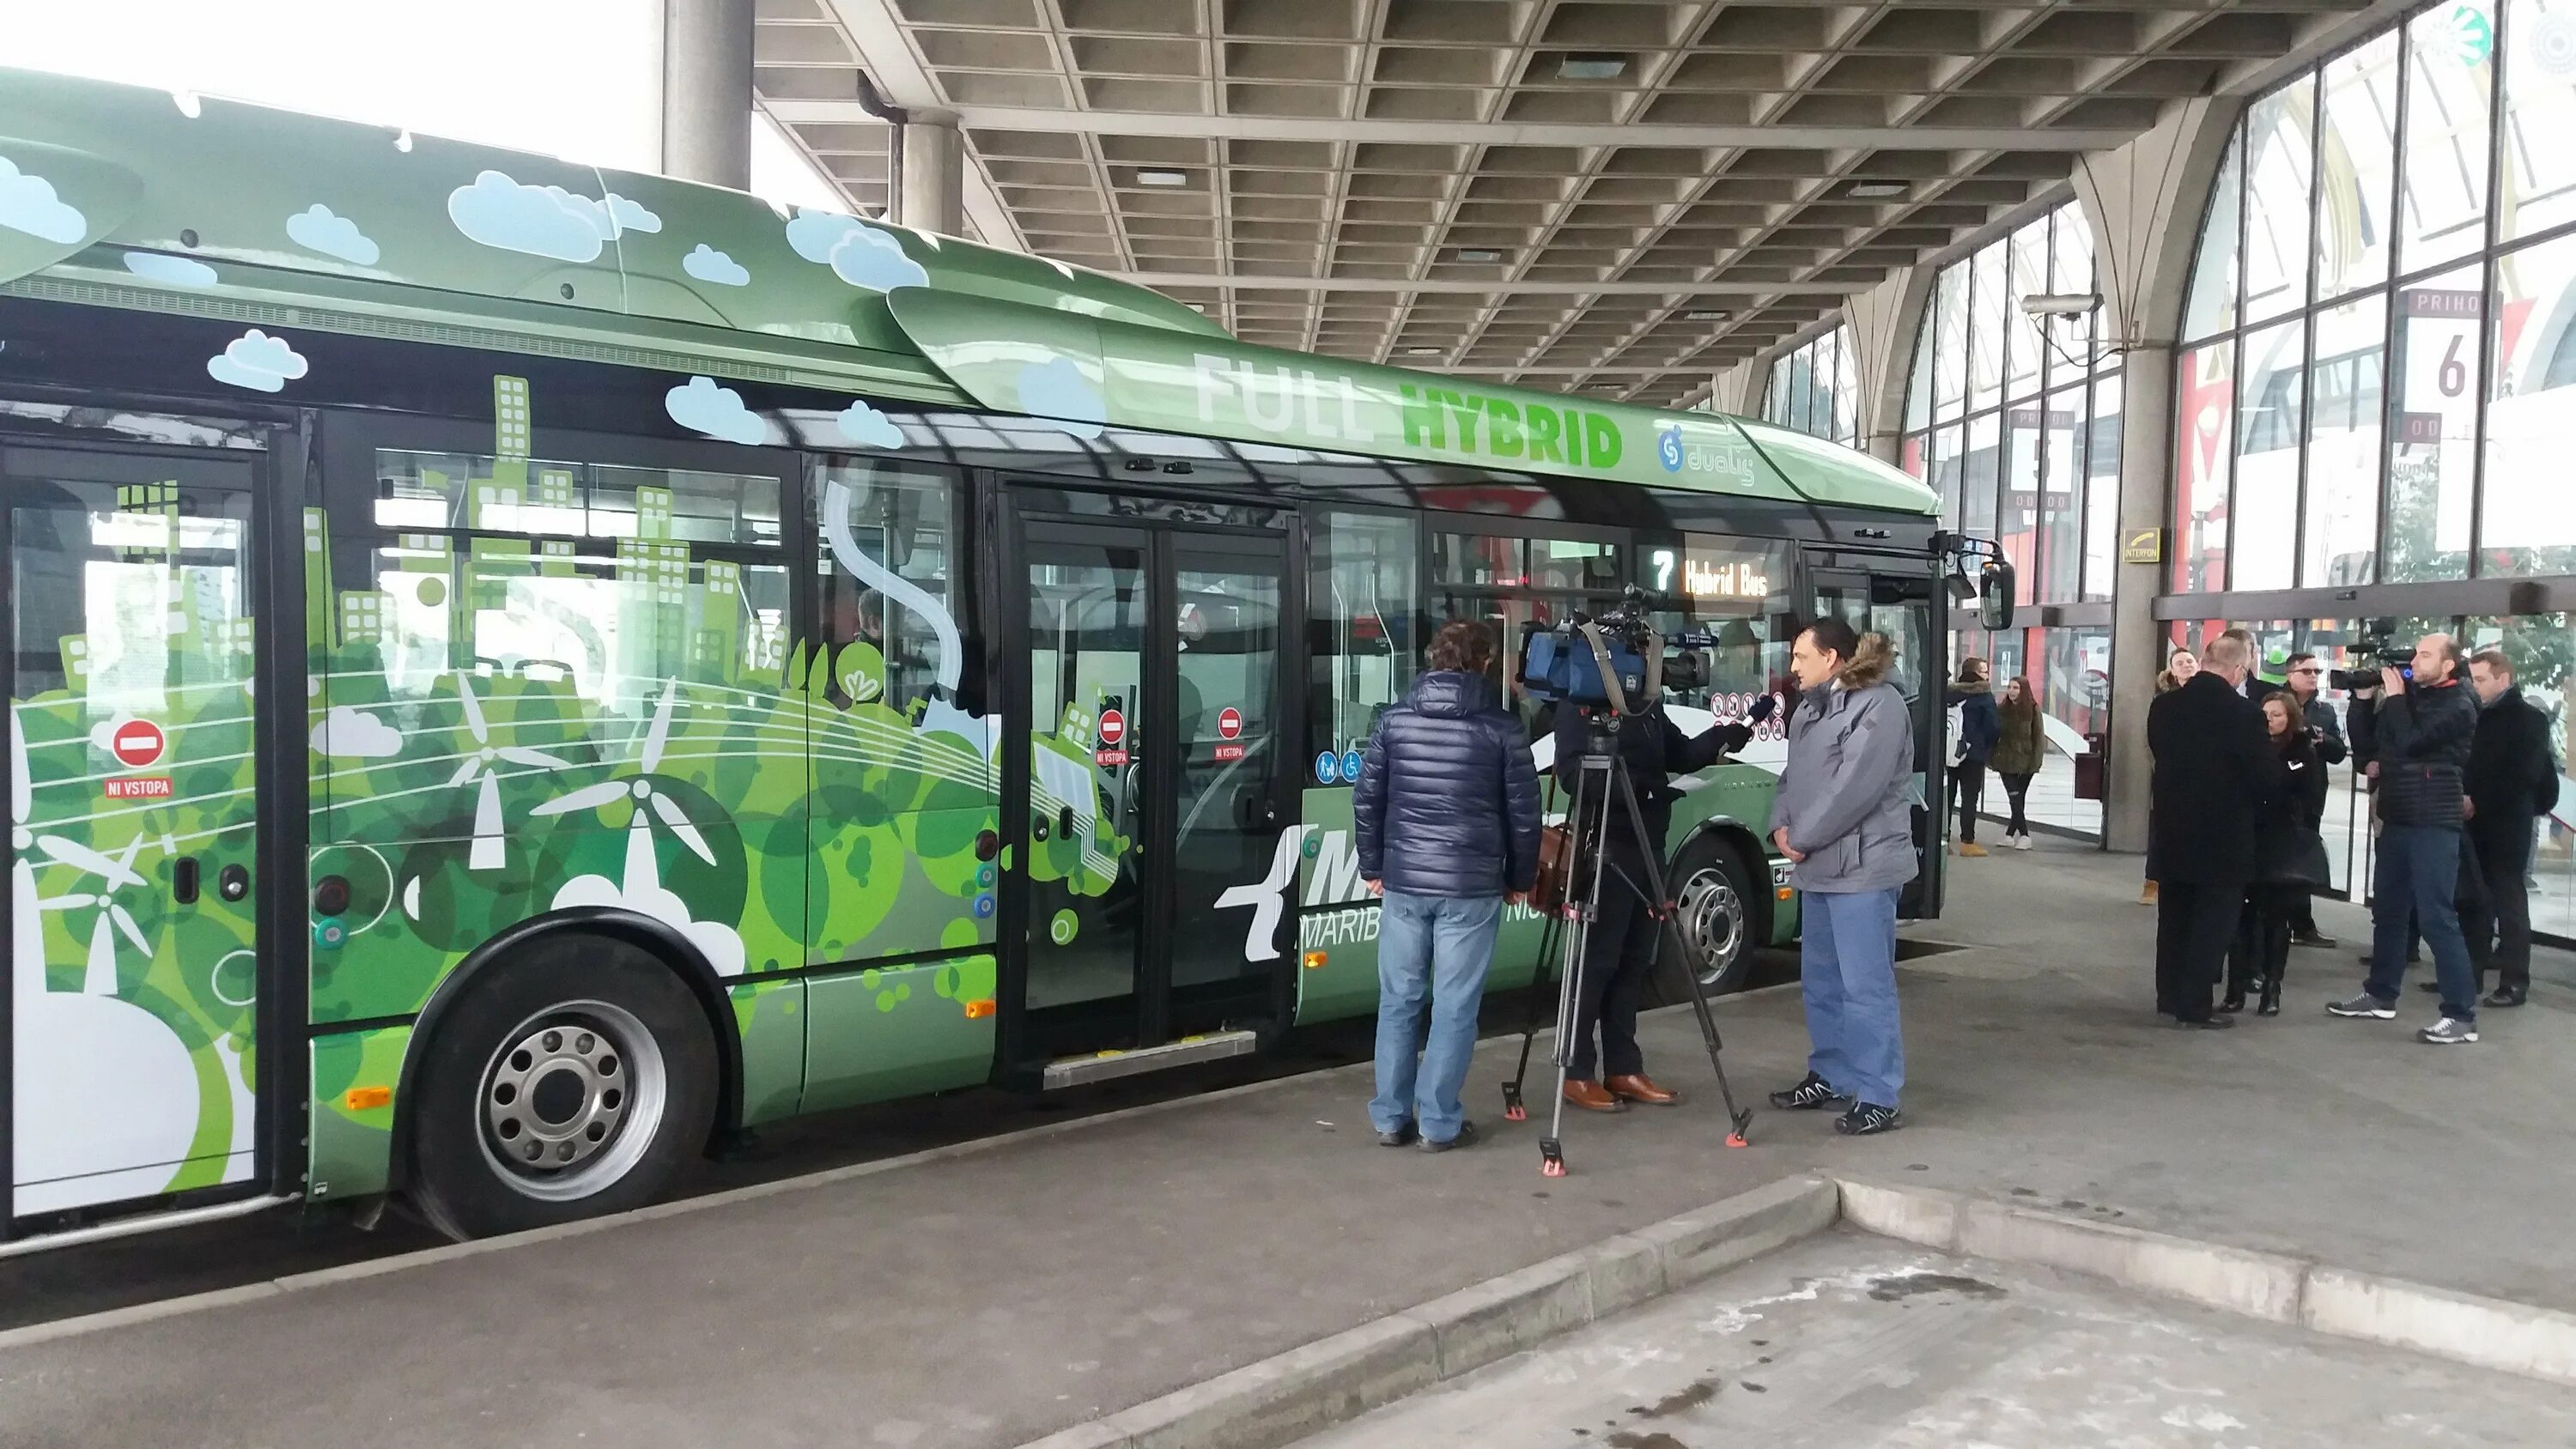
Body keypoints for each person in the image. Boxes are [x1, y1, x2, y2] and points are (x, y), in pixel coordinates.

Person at [1355, 621, 1542, 1151]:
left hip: (1405, 882)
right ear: (1483, 663)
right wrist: (1520, 879)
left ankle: (1391, 1118)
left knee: (1398, 1000)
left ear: (1433, 660)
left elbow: (1368, 800)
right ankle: (1438, 1124)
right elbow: (1524, 816)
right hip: (1471, 885)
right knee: (1455, 1006)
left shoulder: (1393, 722)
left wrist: (1374, 867)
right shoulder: (1503, 728)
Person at [1548, 640, 1741, 1113]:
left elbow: (1679, 753)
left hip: (1648, 847)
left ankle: (1623, 1066)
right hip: (1605, 849)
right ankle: (1575, 1071)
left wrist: (1721, 737)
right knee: (1596, 964)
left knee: (1634, 962)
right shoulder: (1582, 705)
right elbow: (1574, 775)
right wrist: (1636, 785)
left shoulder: (1647, 708)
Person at [1766, 619, 1917, 1136]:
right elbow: (1792, 776)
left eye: (1800, 657)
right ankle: (1831, 1075)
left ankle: (1877, 1094)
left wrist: (1800, 838)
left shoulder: (1880, 705)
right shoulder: (1810, 709)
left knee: (1865, 986)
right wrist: (1780, 825)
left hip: (1863, 870)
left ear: (1831, 658)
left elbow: (1855, 789)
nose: (1793, 668)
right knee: (1823, 982)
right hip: (1820, 867)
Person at [2330, 634, 2482, 1044]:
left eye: (2426, 654)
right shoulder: (2409, 698)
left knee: (2436, 916)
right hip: (2397, 815)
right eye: (2416, 652)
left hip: (2434, 820)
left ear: (2449, 665)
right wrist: (2363, 701)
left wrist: (2395, 698)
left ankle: (2461, 1014)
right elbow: (2367, 746)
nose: (2416, 660)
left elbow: (2414, 742)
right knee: (2390, 911)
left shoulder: (2460, 703)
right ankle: (2380, 995)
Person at [2147, 633, 2277, 1029]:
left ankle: (2169, 996)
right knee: (2213, 923)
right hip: (2223, 835)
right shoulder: (2243, 714)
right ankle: (2195, 1004)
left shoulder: (2164, 708)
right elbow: (2263, 776)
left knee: (2174, 918)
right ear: (2239, 669)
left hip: (2172, 829)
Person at [2462, 649, 2556, 1009]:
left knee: (2509, 903)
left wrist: (2477, 799)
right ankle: (2469, 973)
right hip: (2475, 822)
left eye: (2482, 679)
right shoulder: (2477, 714)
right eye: (2473, 679)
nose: (2476, 686)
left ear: (2504, 678)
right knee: (2474, 902)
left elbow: (2522, 776)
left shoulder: (2529, 719)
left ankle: (2515, 981)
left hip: (2506, 826)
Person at [2225, 694, 2328, 1016]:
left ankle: (2272, 987)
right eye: (2266, 713)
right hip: (2246, 838)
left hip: (2281, 842)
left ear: (2290, 718)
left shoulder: (2301, 751)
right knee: (2241, 919)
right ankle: (2236, 988)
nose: (2270, 719)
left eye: (2278, 714)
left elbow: (2304, 794)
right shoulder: (2248, 745)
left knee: (2276, 919)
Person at [2269, 652, 2349, 949]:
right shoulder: (2273, 703)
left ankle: (2302, 924)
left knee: (2302, 855)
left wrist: (2321, 740)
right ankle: (2276, 921)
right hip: (2277, 792)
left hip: (2311, 793)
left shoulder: (2324, 711)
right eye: (2306, 671)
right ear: (2290, 674)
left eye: (2317, 671)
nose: (2313, 676)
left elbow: (2339, 751)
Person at [2142, 646, 2199, 906]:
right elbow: (2153, 741)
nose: (2187, 665)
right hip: (2172, 776)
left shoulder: (2208, 697)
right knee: (2162, 831)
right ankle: (2152, 881)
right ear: (2172, 672)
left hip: (2201, 778)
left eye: (2190, 661)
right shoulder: (2164, 702)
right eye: (2180, 663)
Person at [1947, 658, 2001, 857]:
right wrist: (1984, 744)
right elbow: (1993, 727)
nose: (1987, 675)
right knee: (1970, 798)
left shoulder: (1949, 692)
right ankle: (1967, 842)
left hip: (1950, 753)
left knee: (1947, 797)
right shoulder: (1983, 695)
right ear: (1977, 673)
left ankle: (1943, 840)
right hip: (1973, 754)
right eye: (1984, 671)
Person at [1989, 675, 2044, 851]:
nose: (2012, 691)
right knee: (2014, 797)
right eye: (2010, 687)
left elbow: (2038, 738)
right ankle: (2024, 835)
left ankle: (2011, 835)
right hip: (2005, 761)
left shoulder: (2033, 710)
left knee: (2018, 799)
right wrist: (1991, 758)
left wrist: (2035, 763)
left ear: (2024, 690)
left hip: (2026, 762)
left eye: (2016, 688)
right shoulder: (2002, 710)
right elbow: (1994, 735)